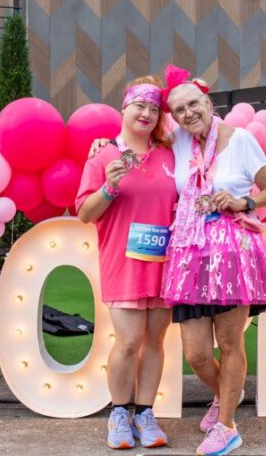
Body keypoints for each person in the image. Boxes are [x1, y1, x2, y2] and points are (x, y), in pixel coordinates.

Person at [161, 65, 266, 456]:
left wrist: (243, 202)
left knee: (230, 342)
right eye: (179, 109)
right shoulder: (179, 142)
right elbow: (135, 141)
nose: (187, 114)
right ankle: (225, 397)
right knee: (197, 353)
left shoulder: (242, 140)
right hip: (189, 254)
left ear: (208, 102)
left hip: (233, 253)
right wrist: (104, 145)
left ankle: (226, 426)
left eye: (193, 104)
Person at [76, 76, 178, 450]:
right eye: (140, 105)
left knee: (156, 340)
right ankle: (119, 413)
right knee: (129, 340)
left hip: (165, 262)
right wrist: (108, 187)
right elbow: (85, 213)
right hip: (122, 261)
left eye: (154, 108)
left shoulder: (171, 154)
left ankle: (146, 414)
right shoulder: (103, 155)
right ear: (124, 107)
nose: (147, 113)